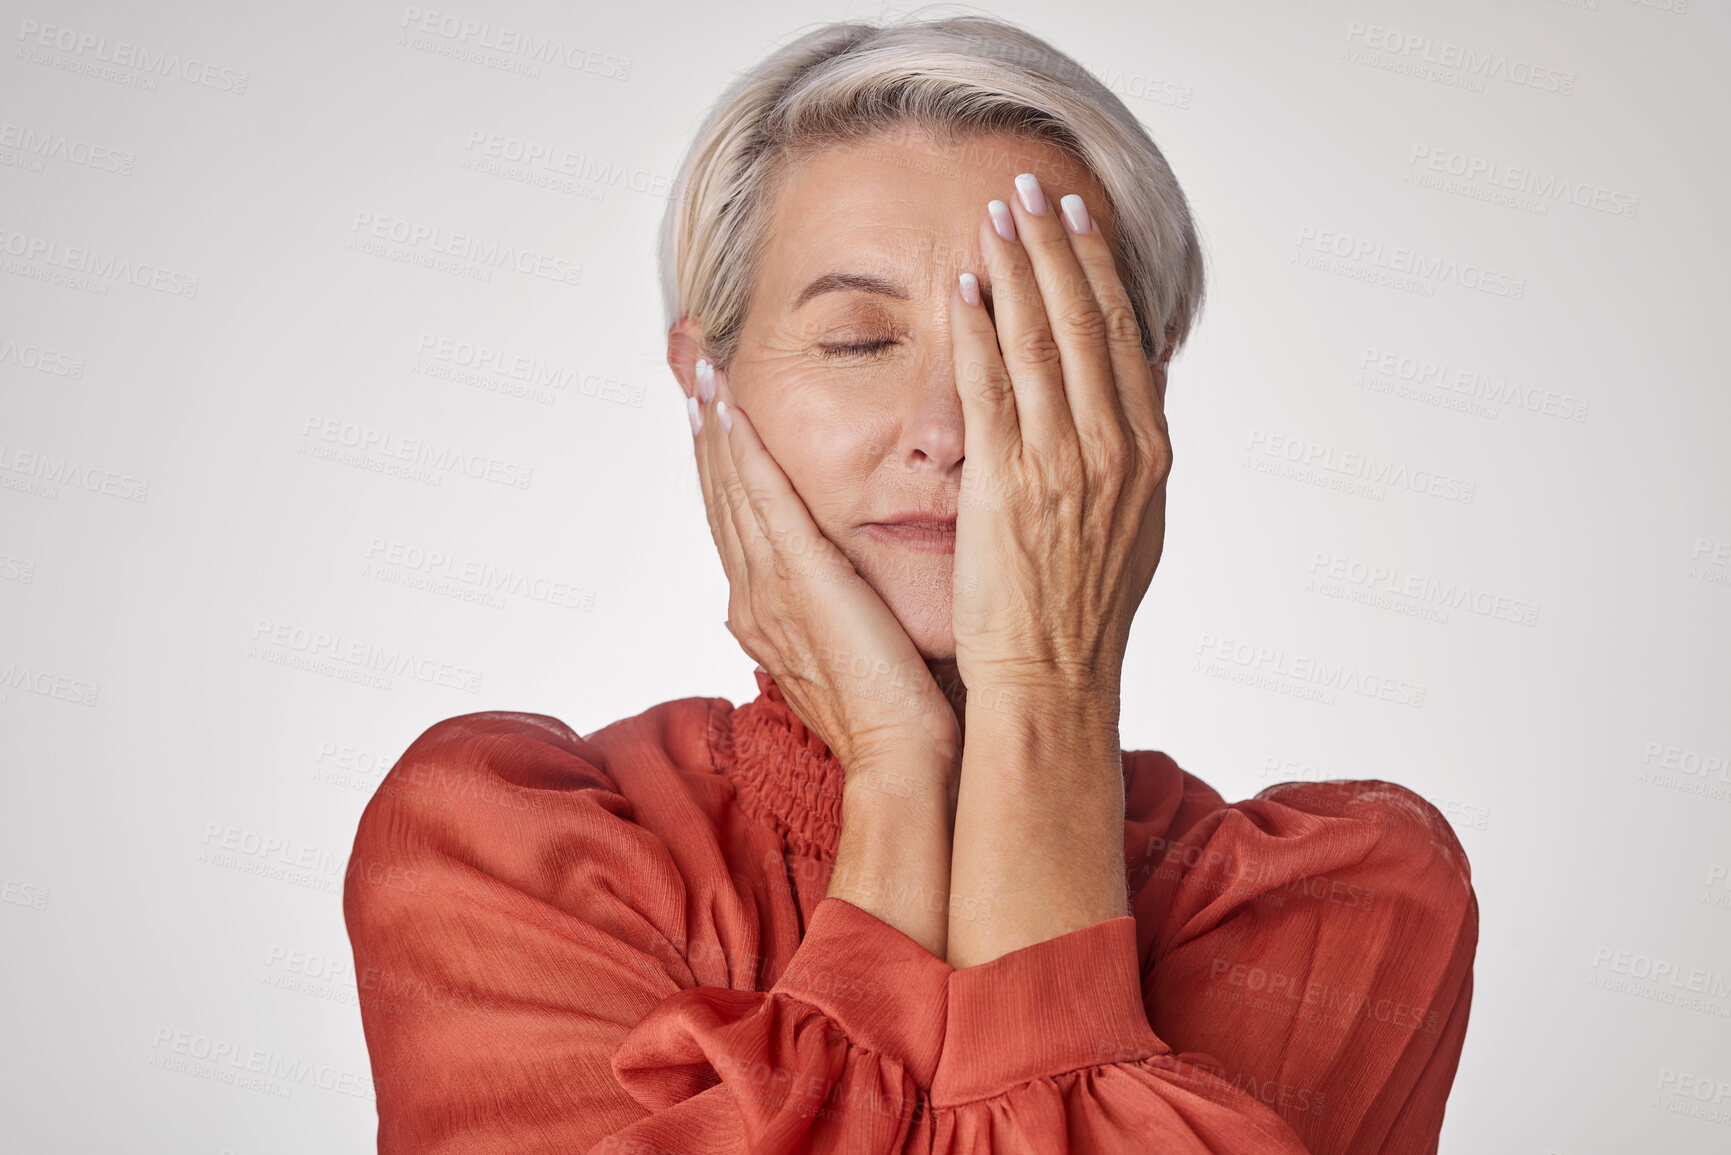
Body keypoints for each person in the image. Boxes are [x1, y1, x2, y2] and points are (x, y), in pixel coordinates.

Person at [343, 13, 1478, 1153]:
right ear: (709, 382)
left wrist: (1045, 698)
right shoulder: (501, 854)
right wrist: (896, 773)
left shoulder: (1337, 907)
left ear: (1139, 401)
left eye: (1026, 347)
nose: (944, 431)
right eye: (855, 342)